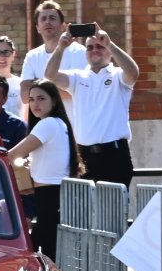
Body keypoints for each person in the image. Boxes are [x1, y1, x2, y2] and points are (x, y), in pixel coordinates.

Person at [46, 25, 139, 184]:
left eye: (100, 46)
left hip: (114, 155)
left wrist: (109, 43)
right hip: (84, 156)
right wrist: (61, 48)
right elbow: (50, 75)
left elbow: (133, 72)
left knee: (113, 208)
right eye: (89, 47)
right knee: (84, 208)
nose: (94, 50)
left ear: (109, 52)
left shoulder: (117, 75)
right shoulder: (78, 77)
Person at [4, 78, 80, 259]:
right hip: (54, 196)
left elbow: (11, 155)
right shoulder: (59, 124)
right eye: (31, 99)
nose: (35, 103)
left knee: (40, 255)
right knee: (44, 252)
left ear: (54, 100)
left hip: (50, 197)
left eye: (41, 98)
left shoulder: (47, 124)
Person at [20, 0, 89, 109]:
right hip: (42, 124)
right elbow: (24, 96)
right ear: (37, 27)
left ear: (63, 26)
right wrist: (62, 86)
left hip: (72, 124)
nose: (47, 22)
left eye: (52, 18)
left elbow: (81, 90)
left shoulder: (80, 52)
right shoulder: (32, 56)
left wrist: (36, 86)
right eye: (43, 19)